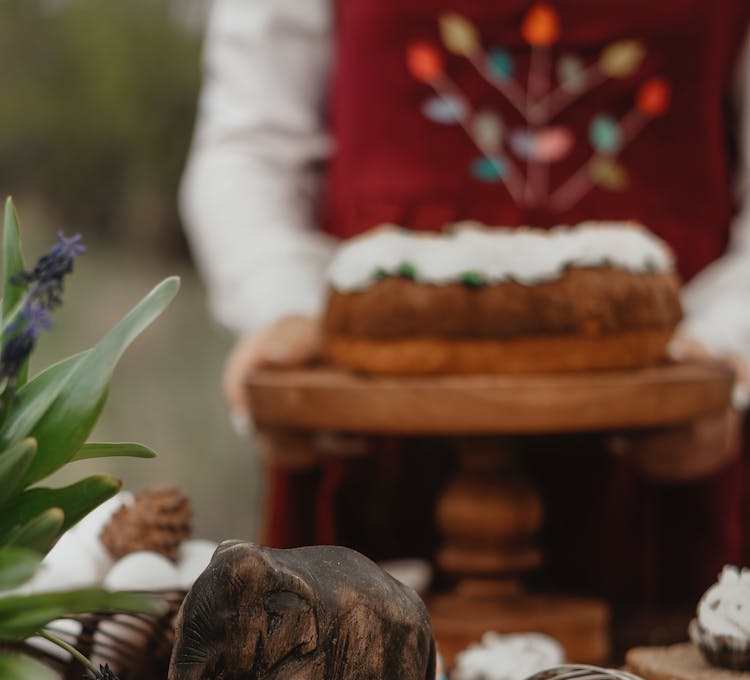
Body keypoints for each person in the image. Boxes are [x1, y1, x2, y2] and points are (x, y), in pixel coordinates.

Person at [180, 0, 750, 605]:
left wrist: (723, 349)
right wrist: (282, 305)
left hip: (669, 441)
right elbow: (251, 145)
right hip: (375, 425)